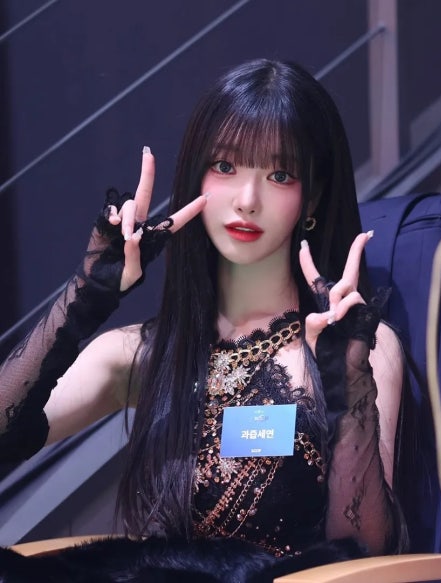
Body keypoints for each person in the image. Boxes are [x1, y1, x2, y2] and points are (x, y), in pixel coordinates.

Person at [0, 59, 407, 580]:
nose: (247, 201)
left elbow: (369, 552)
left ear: (314, 196)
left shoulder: (358, 349)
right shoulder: (143, 354)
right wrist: (85, 297)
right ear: (196, 176)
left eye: (279, 175)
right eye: (226, 167)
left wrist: (342, 381)